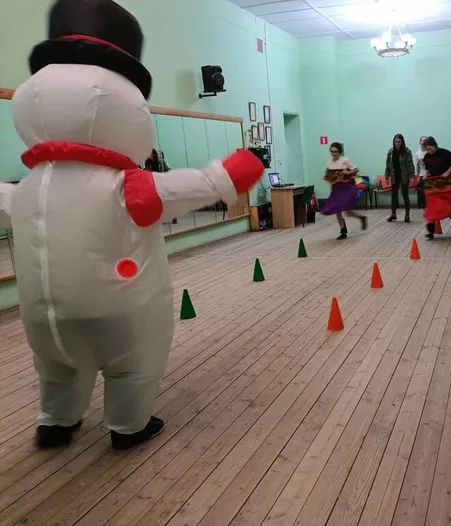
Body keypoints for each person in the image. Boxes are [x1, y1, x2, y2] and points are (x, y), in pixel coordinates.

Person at [6, 0, 265, 451]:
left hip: (41, 317)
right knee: (133, 364)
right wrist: (233, 172)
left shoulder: (25, 190)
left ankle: (56, 423)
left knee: (56, 366)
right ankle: (129, 426)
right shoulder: (129, 187)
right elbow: (196, 186)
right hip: (119, 314)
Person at [421, 137, 451, 240]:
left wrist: (448, 172)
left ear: (435, 145)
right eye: (427, 149)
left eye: (430, 148)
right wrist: (426, 175)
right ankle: (431, 232)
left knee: (446, 207)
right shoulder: (426, 156)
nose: (429, 151)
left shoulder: (444, 153)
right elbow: (427, 169)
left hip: (446, 184)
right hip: (433, 184)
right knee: (432, 208)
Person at [321, 142, 368, 240]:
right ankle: (343, 230)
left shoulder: (345, 160)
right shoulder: (329, 161)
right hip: (336, 188)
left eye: (336, 151)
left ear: (340, 152)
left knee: (346, 210)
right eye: (332, 151)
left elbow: (356, 170)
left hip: (347, 187)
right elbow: (328, 173)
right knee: (337, 209)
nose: (334, 153)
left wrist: (347, 173)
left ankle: (361, 218)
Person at [384, 134, 416, 222]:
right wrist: (386, 176)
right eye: (395, 142)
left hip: (404, 176)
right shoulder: (390, 152)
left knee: (405, 195)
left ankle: (407, 215)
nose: (397, 143)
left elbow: (410, 164)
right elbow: (388, 165)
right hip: (394, 176)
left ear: (402, 142)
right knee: (393, 196)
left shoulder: (407, 151)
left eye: (399, 142)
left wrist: (412, 175)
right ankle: (393, 214)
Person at [415, 136, 428, 208]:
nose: (423, 142)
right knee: (422, 191)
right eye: (422, 140)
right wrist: (418, 176)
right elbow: (418, 165)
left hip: (429, 174)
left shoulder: (429, 151)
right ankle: (423, 206)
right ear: (420, 142)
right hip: (422, 174)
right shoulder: (417, 153)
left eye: (425, 140)